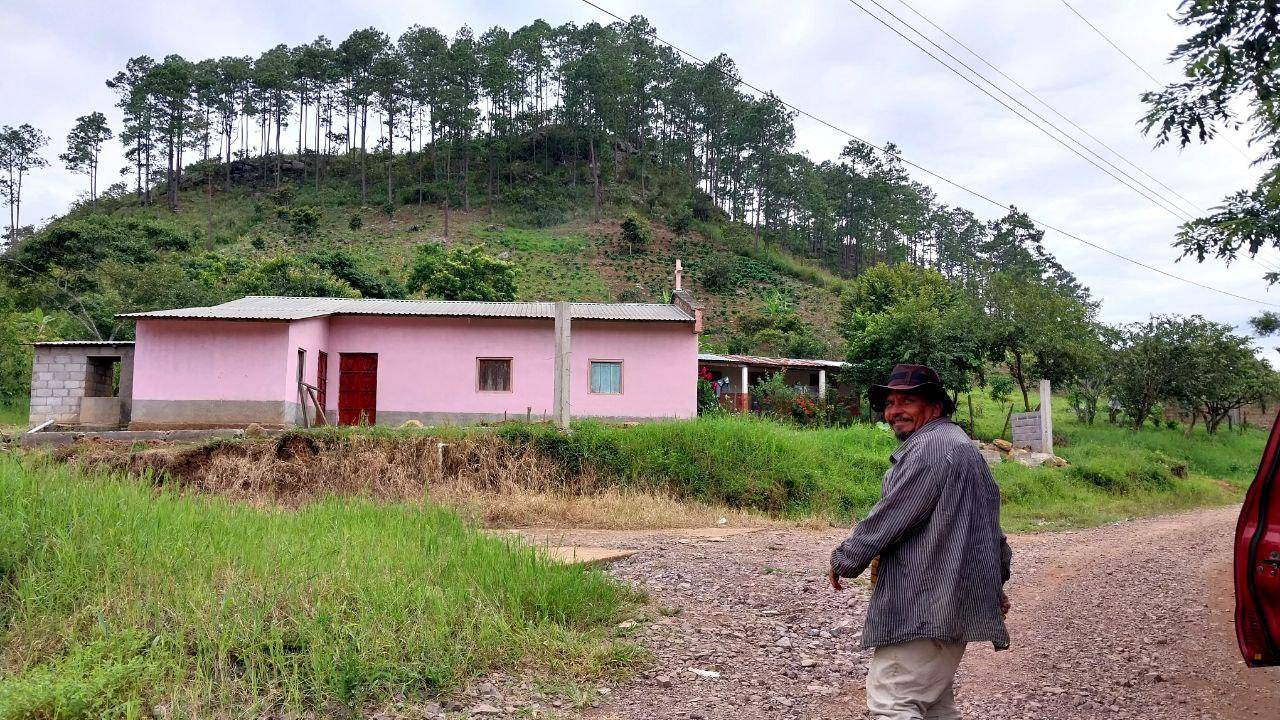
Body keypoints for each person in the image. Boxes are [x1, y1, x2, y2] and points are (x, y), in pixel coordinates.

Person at [829, 363, 1011, 720]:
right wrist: (993, 584)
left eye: (907, 401)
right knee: (934, 708)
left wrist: (846, 558)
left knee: (894, 701)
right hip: (945, 601)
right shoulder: (960, 446)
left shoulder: (930, 448)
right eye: (890, 402)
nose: (894, 411)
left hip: (925, 603)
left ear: (936, 406)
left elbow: (892, 515)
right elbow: (991, 530)